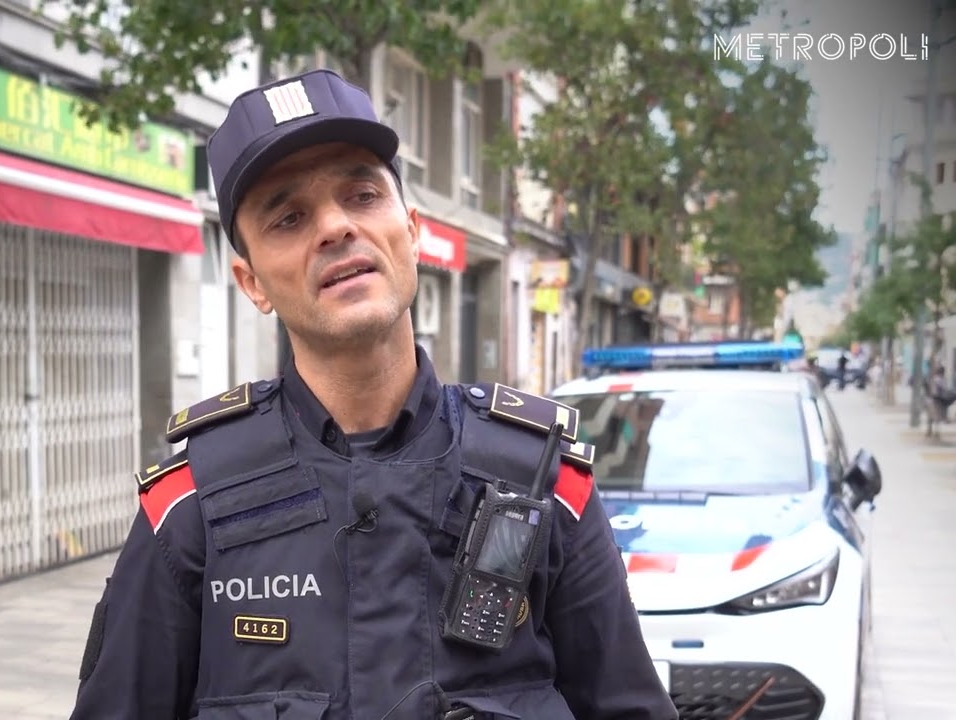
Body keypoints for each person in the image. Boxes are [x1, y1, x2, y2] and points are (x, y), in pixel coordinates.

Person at [69, 69, 677, 720]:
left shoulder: (543, 484)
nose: (334, 227)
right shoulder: (191, 507)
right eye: (289, 217)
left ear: (411, 231)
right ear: (252, 283)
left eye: (361, 194)